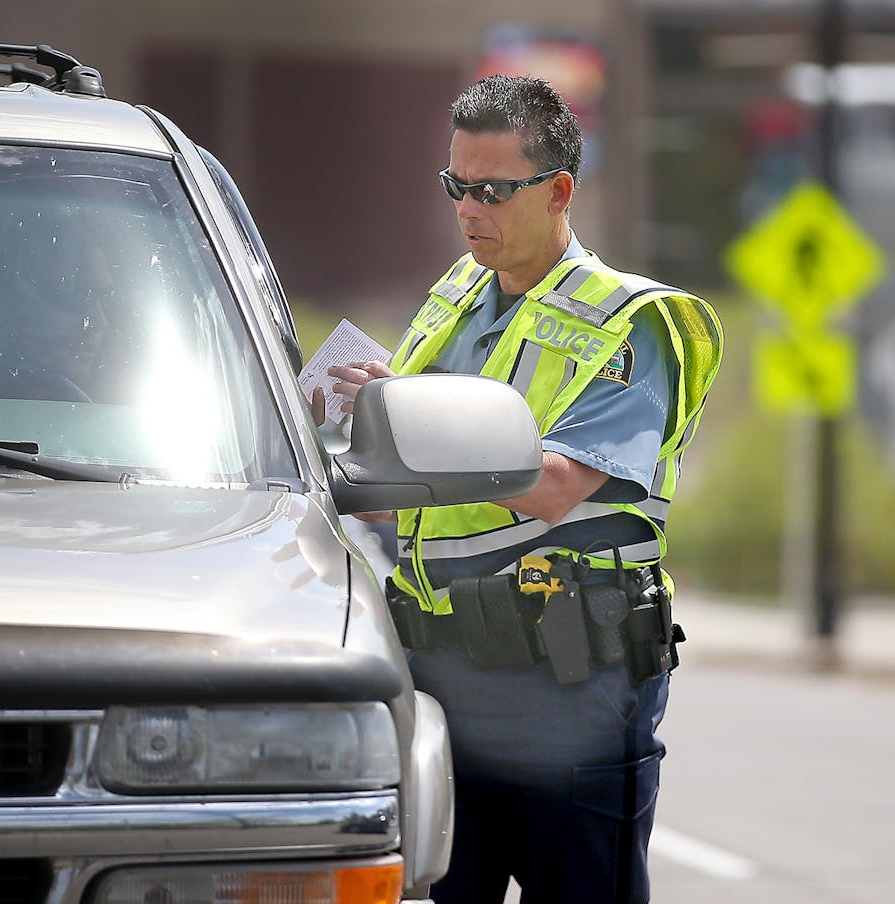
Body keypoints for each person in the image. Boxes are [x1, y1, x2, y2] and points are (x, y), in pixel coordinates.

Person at [325, 75, 722, 904]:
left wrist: (410, 416)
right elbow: (423, 497)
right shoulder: (454, 300)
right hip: (444, 684)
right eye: (456, 186)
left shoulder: (629, 323)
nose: (470, 209)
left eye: (494, 191)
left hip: (568, 693)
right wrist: (352, 431)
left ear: (559, 192)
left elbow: (554, 488)